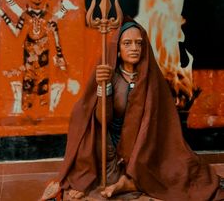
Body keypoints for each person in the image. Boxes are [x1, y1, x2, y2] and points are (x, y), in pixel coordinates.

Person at [40, 19, 224, 201]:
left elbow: (160, 125)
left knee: (182, 171)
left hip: (142, 144)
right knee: (90, 134)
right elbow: (101, 119)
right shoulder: (110, 75)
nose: (134, 48)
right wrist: (103, 87)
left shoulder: (151, 79)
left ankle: (130, 182)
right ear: (118, 50)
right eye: (127, 43)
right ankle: (115, 180)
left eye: (138, 43)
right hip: (110, 143)